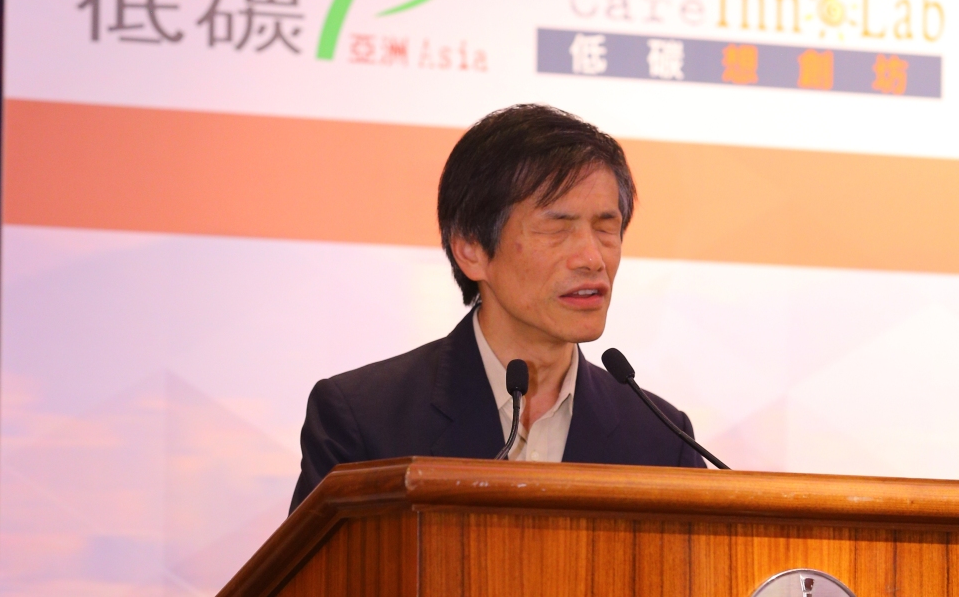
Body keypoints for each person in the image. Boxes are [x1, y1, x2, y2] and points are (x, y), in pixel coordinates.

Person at [289, 104, 704, 512]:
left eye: (605, 228)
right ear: (471, 250)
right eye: (557, 228)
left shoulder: (663, 440)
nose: (593, 259)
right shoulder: (364, 421)